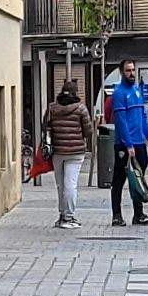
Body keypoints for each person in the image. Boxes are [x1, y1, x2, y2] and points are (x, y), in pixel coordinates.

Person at [105, 62, 148, 226]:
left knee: (138, 179)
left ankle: (139, 214)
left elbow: (142, 114)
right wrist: (128, 145)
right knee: (119, 180)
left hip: (139, 142)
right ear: (121, 72)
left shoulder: (136, 90)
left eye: (133, 70)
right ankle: (117, 215)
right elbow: (121, 121)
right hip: (124, 144)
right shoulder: (119, 94)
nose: (131, 73)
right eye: (128, 70)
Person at [42, 85, 96, 228]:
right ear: (75, 93)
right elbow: (88, 131)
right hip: (76, 152)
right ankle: (69, 216)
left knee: (61, 185)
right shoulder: (81, 109)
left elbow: (45, 127)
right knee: (70, 185)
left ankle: (62, 215)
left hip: (58, 151)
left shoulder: (52, 108)